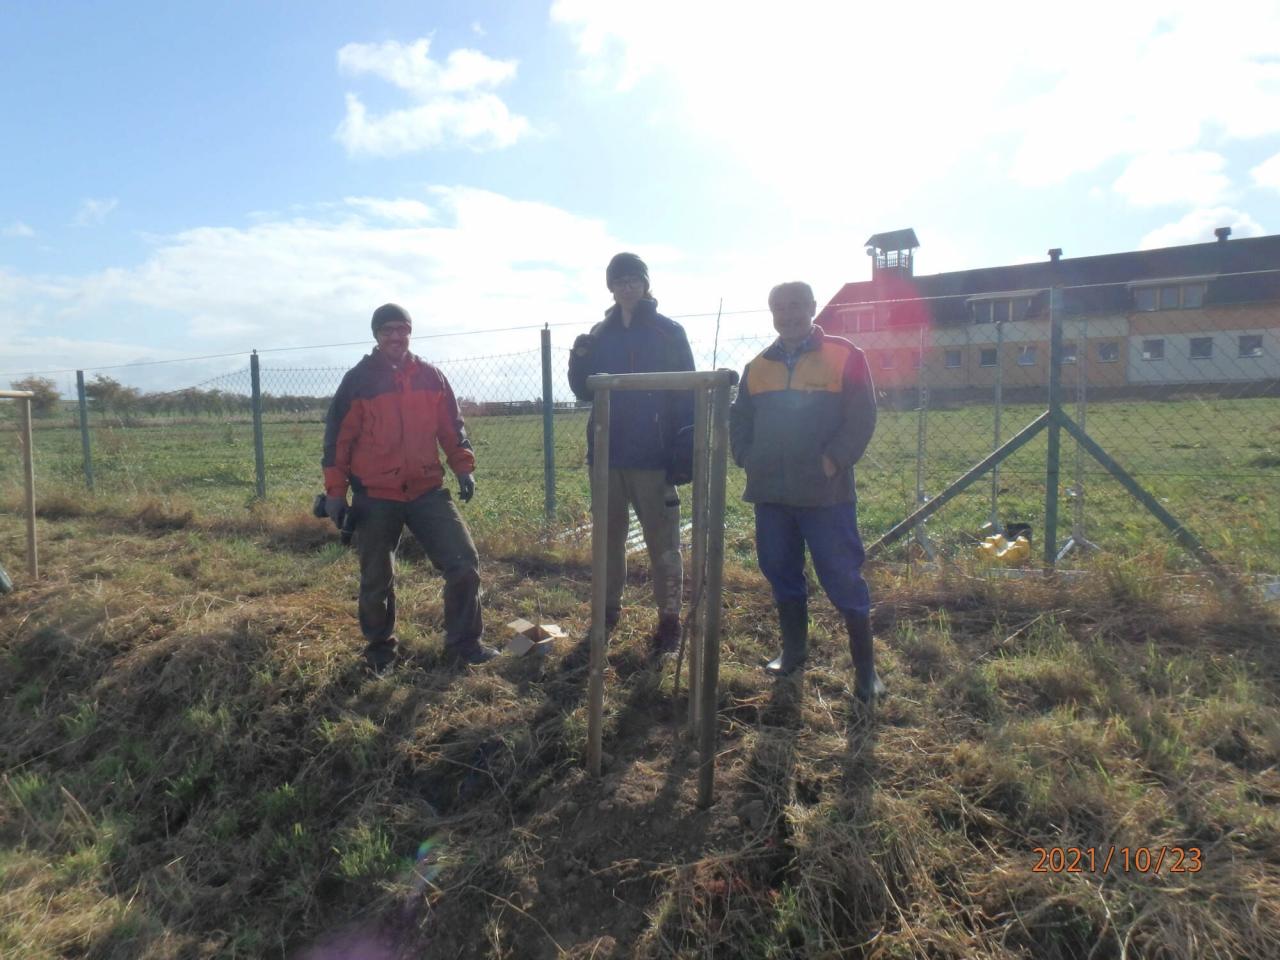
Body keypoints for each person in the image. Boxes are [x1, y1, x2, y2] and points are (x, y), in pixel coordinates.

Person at [729, 281, 886, 702]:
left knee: (842, 577)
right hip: (771, 494)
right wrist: (746, 457)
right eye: (780, 307)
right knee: (780, 571)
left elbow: (863, 416)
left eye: (797, 305)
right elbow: (739, 420)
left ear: (813, 307)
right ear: (772, 313)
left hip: (825, 494)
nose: (790, 314)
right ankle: (794, 652)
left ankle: (866, 671)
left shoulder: (846, 355)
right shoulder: (757, 367)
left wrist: (834, 460)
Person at [322, 303, 496, 673]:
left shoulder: (431, 378)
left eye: (402, 329)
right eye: (387, 330)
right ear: (376, 335)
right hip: (375, 495)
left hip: (426, 490)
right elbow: (338, 441)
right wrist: (336, 493)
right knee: (376, 580)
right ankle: (380, 651)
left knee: (463, 562)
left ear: (410, 333)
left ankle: (465, 644)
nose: (395, 337)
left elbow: (452, 427)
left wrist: (463, 468)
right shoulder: (358, 381)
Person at [568, 252, 695, 655]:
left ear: (645, 284)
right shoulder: (600, 333)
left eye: (634, 280)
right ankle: (607, 612)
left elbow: (688, 391)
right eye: (620, 281)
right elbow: (583, 391)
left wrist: (684, 444)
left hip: (654, 456)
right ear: (611, 287)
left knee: (663, 540)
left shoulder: (668, 332)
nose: (627, 287)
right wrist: (578, 359)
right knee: (608, 539)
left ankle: (669, 619)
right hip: (607, 453)